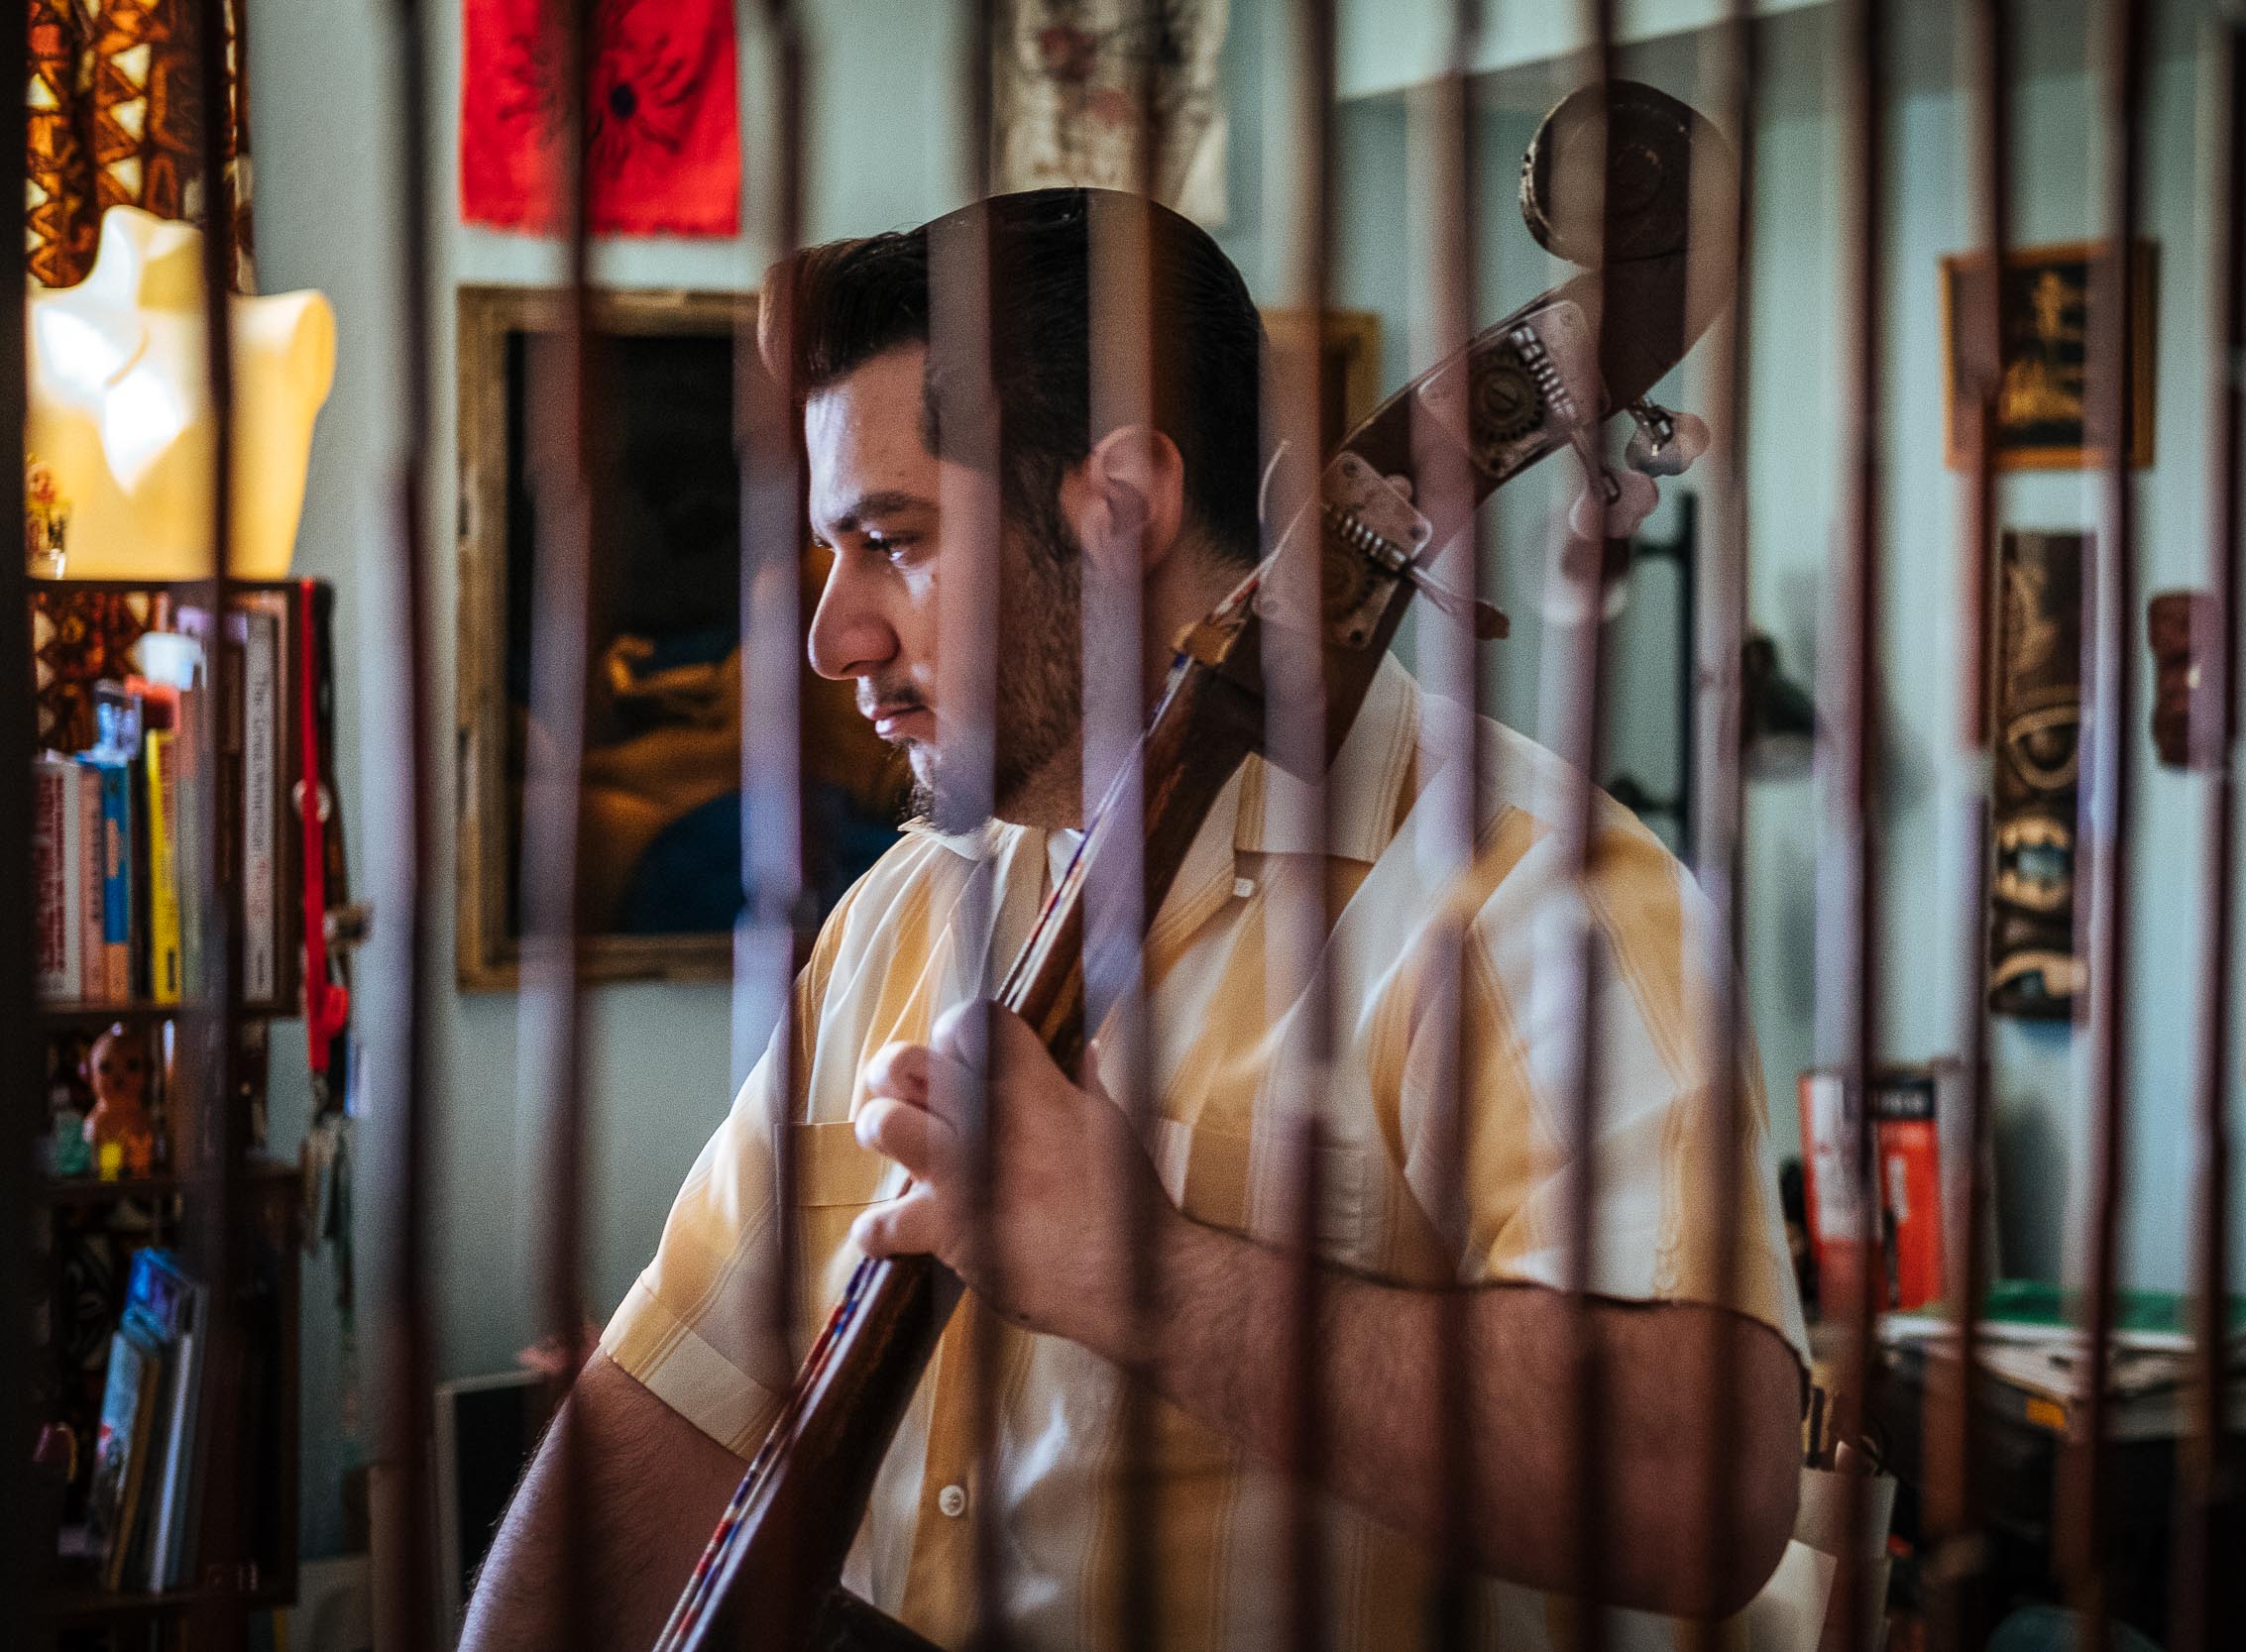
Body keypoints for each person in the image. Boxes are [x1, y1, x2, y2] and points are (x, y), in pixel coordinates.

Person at [460, 188, 1807, 1652]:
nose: (830, 635)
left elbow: (1705, 1491)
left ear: (1116, 512)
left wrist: (1147, 1277)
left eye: (891, 540)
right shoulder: (901, 915)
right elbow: (669, 1407)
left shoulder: (1542, 896)